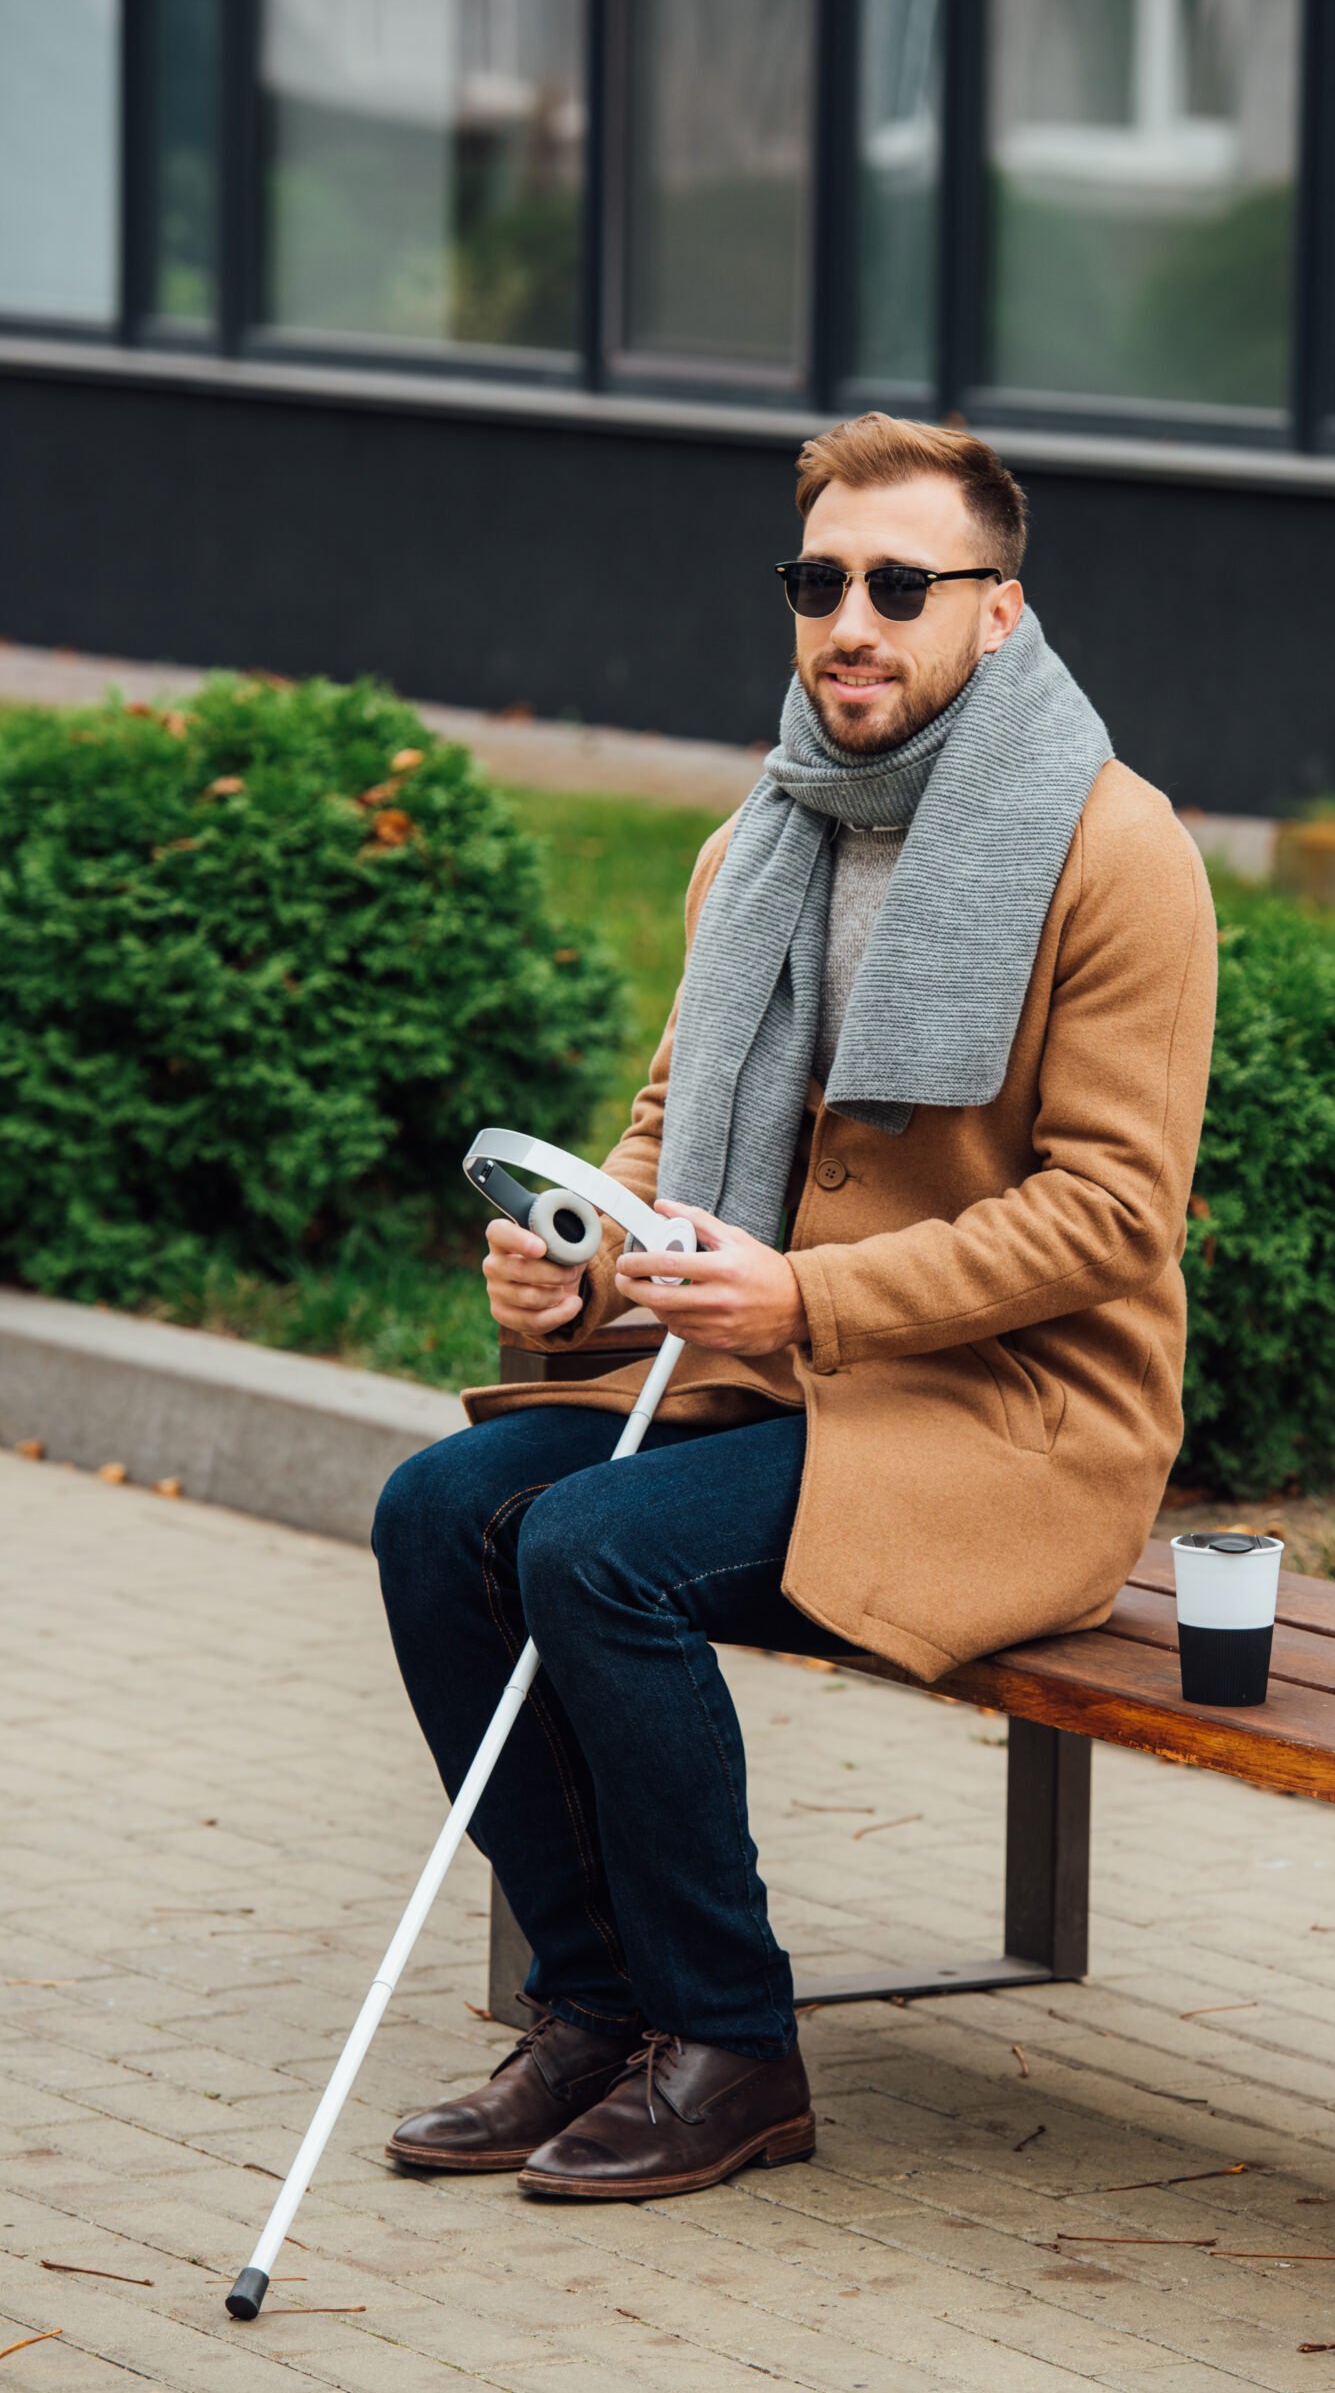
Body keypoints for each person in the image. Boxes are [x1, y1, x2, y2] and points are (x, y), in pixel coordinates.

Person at [371, 412, 1218, 2203]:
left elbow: (1113, 1216)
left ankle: (731, 2044)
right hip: (770, 1372)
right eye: (820, 579)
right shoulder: (760, 836)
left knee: (593, 1548)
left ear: (996, 611)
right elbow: (675, 1127)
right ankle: (595, 2011)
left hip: (1010, 1420)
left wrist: (803, 1298)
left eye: (901, 584)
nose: (852, 617)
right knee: (440, 1509)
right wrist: (583, 1250)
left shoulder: (1114, 849)